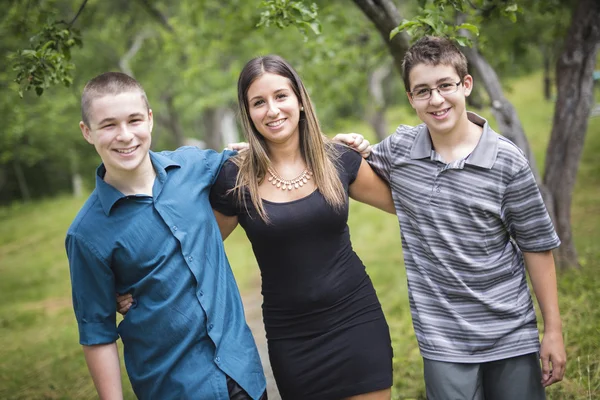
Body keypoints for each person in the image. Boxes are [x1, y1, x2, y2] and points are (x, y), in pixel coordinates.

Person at [337, 36, 566, 399]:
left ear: (466, 85)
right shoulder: (400, 151)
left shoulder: (507, 161)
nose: (437, 99)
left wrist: (553, 329)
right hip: (442, 341)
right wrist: (262, 149)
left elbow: (537, 247)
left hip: (511, 332)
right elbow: (339, 161)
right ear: (411, 99)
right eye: (423, 91)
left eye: (445, 85)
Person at [66, 71, 267, 399]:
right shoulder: (86, 234)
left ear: (150, 119)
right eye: (108, 125)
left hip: (244, 376)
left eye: (134, 120)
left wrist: (345, 146)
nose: (125, 135)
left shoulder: (193, 166)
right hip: (174, 388)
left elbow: (260, 159)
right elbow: (97, 334)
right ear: (87, 132)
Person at [209, 55, 397, 400]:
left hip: (356, 322)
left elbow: (409, 204)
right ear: (247, 112)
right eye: (258, 102)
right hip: (292, 338)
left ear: (299, 100)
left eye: (281, 96)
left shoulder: (339, 159)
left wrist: (378, 153)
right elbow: (196, 249)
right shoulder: (236, 178)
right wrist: (131, 286)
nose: (272, 110)